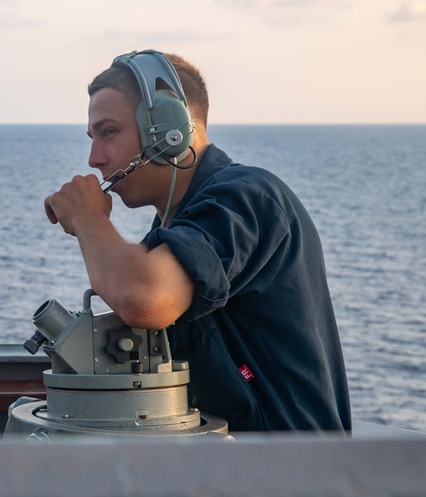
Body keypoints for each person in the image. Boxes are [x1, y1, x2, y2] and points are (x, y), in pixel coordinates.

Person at [43, 50, 351, 432]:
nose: (94, 158)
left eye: (108, 132)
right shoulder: (176, 229)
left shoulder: (246, 199)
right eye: (93, 137)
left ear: (168, 128)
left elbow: (144, 298)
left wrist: (89, 219)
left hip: (291, 474)